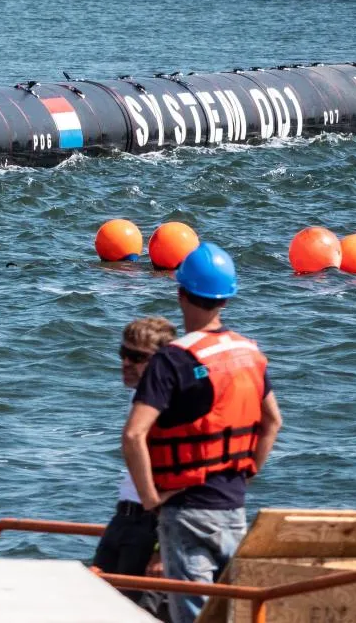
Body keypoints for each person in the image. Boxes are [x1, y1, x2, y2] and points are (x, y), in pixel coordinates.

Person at [122, 243, 283, 623]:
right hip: (234, 505)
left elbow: (134, 435)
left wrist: (149, 499)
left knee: (193, 615)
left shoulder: (172, 359)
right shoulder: (250, 353)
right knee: (230, 612)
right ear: (226, 299)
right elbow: (273, 421)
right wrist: (248, 471)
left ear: (180, 293)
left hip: (186, 509)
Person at [93, 316, 177, 622]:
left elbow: (183, 478)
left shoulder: (170, 406)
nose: (126, 363)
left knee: (141, 613)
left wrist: (160, 546)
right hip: (123, 518)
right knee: (97, 604)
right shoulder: (140, 397)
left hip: (150, 526)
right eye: (123, 353)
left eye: (137, 357)